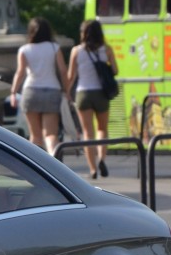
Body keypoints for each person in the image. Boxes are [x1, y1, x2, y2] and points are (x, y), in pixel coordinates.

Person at [66, 18, 119, 179]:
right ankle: (102, 159)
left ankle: (92, 169)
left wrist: (67, 93)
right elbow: (116, 71)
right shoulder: (107, 49)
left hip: (83, 93)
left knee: (87, 133)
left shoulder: (76, 51)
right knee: (102, 129)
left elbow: (71, 75)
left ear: (83, 34)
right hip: (101, 93)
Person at [10, 16, 70, 156]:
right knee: (50, 134)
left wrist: (13, 92)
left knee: (35, 136)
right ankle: (54, 163)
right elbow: (62, 70)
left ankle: (35, 168)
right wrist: (67, 90)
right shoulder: (54, 47)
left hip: (31, 91)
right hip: (51, 90)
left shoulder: (25, 49)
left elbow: (20, 73)